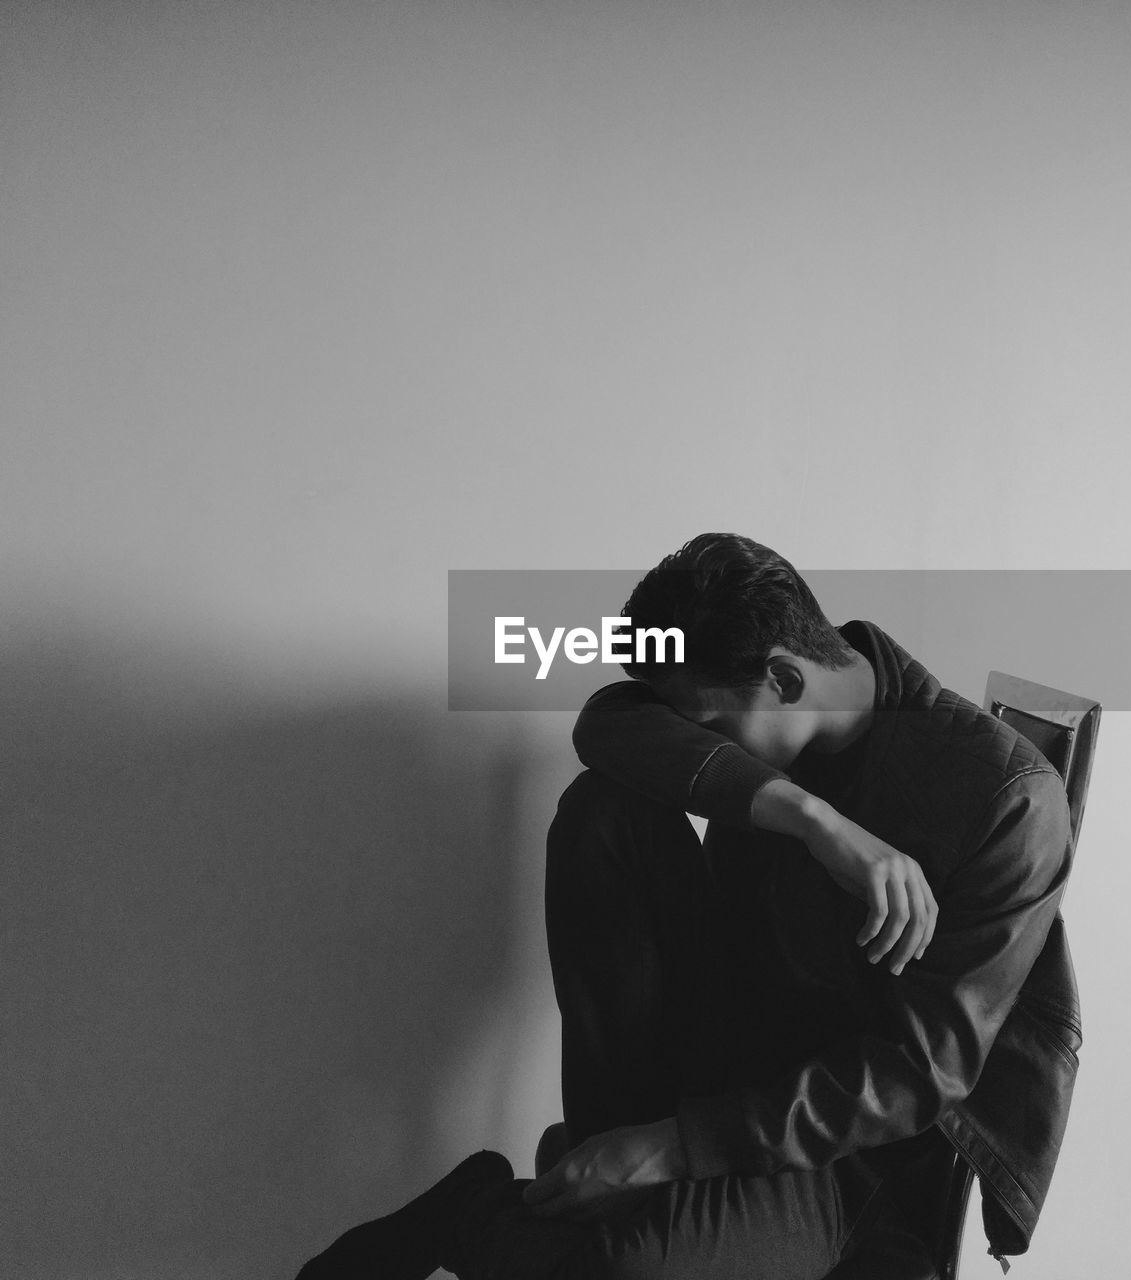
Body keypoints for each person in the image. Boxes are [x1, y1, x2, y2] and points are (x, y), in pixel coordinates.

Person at [295, 533, 1080, 1280]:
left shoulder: (1001, 797)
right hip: (726, 1041)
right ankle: (601, 1171)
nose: (700, 741)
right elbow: (609, 722)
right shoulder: (777, 708)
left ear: (784, 679)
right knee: (605, 809)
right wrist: (814, 821)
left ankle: (476, 1214)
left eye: (709, 725)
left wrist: (671, 1149)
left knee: (625, 1272)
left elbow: (916, 1078)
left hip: (850, 1151)